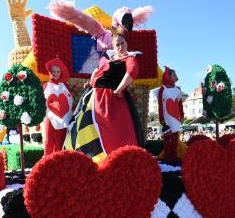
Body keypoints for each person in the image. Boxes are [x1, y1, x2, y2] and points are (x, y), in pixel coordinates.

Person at [65, 29, 144, 163]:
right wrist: (90, 83)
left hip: (110, 100)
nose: (120, 47)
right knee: (85, 126)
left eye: (122, 43)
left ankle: (112, 160)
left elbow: (132, 71)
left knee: (110, 131)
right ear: (113, 46)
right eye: (117, 44)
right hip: (94, 98)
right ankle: (88, 159)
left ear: (126, 43)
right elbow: (97, 71)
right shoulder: (109, 58)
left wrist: (119, 89)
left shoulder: (129, 58)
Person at [43, 57, 73, 155]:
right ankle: (46, 164)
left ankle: (58, 164)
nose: (56, 73)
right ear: (50, 72)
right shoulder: (45, 86)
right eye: (54, 71)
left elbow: (69, 101)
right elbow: (43, 100)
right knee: (49, 140)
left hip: (63, 117)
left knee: (60, 141)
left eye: (58, 71)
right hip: (49, 116)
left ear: (61, 73)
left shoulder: (65, 86)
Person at [155, 66, 184, 164]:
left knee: (175, 137)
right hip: (167, 117)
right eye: (174, 74)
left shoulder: (178, 89)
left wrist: (182, 115)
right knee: (167, 138)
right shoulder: (162, 89)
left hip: (176, 116)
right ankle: (167, 157)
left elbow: (180, 104)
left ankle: (174, 156)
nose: (176, 76)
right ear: (168, 76)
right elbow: (160, 104)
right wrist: (161, 118)